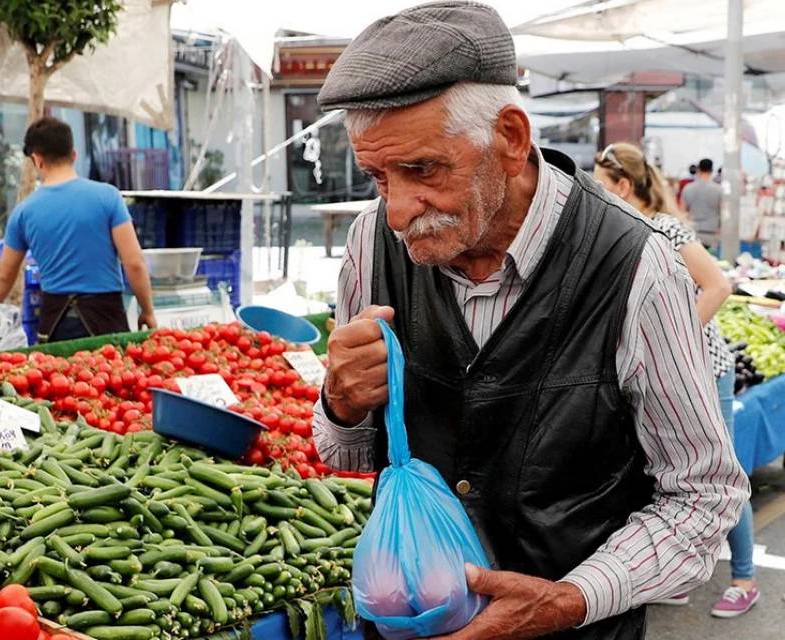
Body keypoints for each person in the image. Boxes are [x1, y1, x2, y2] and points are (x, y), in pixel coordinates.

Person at [312, 2, 749, 639]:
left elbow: (703, 494)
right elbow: (346, 454)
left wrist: (569, 599)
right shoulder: (369, 244)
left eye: (423, 170)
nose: (399, 209)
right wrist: (340, 402)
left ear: (512, 140)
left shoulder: (634, 266)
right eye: (379, 177)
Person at [593, 142, 759, 618]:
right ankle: (681, 577)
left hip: (708, 372)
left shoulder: (663, 229)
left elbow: (719, 285)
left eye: (603, 188)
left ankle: (745, 578)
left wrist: (672, 340)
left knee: (716, 475)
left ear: (624, 187)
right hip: (664, 377)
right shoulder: (623, 233)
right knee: (666, 474)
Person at [0, 116, 156, 341]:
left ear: (37, 160)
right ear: (74, 155)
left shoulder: (23, 212)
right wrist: (147, 310)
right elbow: (134, 263)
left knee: (61, 375)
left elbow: (4, 275)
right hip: (106, 320)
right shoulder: (108, 197)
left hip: (55, 325)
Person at [685, 158, 722, 247]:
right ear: (712, 170)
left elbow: (683, 212)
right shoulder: (718, 189)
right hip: (712, 233)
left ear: (698, 169)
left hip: (692, 233)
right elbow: (722, 211)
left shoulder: (687, 188)